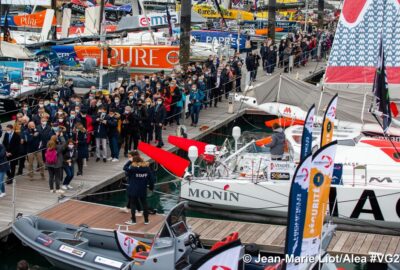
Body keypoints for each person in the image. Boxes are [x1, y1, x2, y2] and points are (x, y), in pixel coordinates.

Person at [123, 154, 154, 225]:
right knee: (144, 204)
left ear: (134, 162)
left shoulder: (133, 169)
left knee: (133, 204)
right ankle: (146, 220)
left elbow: (125, 168)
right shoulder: (147, 169)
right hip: (143, 189)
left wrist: (129, 161)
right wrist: (151, 188)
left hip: (133, 189)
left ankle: (133, 220)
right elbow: (151, 180)